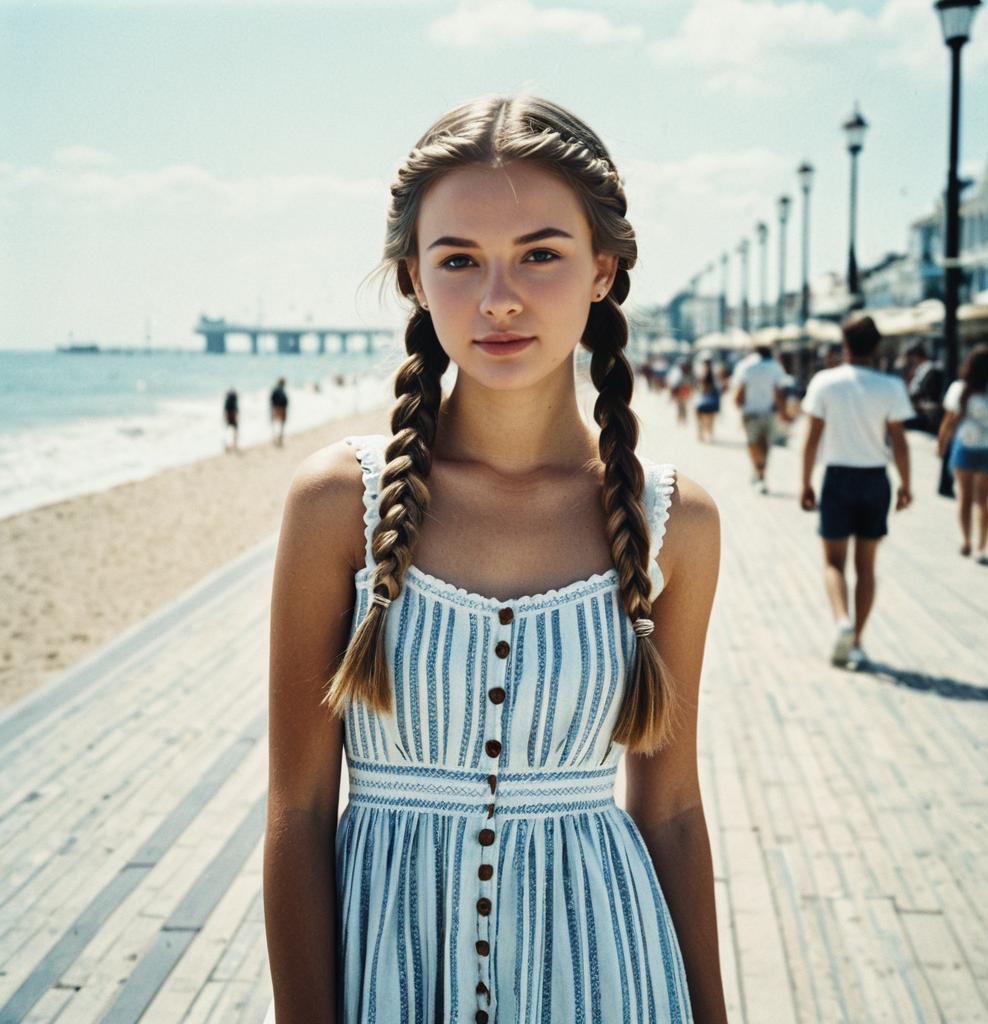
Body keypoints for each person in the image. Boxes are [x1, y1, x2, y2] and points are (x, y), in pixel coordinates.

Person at [262, 95, 727, 1024]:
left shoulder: (673, 521)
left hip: (609, 978)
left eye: (541, 255)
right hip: (389, 976)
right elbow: (299, 812)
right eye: (459, 260)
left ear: (603, 270)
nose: (498, 297)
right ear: (413, 276)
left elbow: (671, 811)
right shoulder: (337, 506)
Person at [799, 315, 914, 671]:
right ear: (877, 347)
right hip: (875, 479)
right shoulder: (890, 387)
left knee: (834, 561)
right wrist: (907, 484)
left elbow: (812, 438)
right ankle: (859, 642)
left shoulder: (825, 383)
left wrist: (805, 482)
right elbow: (899, 442)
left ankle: (841, 621)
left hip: (837, 477)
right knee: (866, 566)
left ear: (844, 345)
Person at [936, 344, 988, 564]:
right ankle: (982, 546)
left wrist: (941, 444)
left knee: (965, 498)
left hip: (964, 446)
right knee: (983, 501)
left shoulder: (961, 387)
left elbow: (949, 420)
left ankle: (966, 541)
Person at [731, 344, 788, 493]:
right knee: (766, 445)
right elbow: (779, 392)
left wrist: (738, 405)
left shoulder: (745, 365)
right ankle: (761, 474)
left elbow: (739, 392)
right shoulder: (775, 366)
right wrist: (784, 413)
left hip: (750, 412)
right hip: (769, 412)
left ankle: (758, 471)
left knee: (752, 444)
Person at [904, 343, 943, 434]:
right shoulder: (921, 368)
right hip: (919, 409)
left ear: (915, 356)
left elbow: (921, 392)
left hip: (925, 413)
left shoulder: (929, 368)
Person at [694, 357, 720, 442]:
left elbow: (703, 388)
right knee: (710, 418)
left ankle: (702, 434)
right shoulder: (714, 374)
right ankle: (708, 434)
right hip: (712, 398)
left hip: (705, 398)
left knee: (701, 417)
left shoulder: (705, 374)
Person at [665, 358, 692, 423]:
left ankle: (683, 419)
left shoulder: (687, 373)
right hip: (680, 392)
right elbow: (674, 383)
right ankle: (680, 419)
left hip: (684, 392)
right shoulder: (678, 373)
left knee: (683, 406)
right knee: (680, 406)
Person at [269, 377, 288, 446]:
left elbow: (271, 399)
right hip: (282, 408)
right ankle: (280, 439)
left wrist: (273, 409)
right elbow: (285, 400)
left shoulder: (275, 389)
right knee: (281, 425)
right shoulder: (282, 390)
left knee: (274, 424)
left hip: (275, 408)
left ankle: (274, 438)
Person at [223, 388, 239, 452]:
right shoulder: (234, 400)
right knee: (234, 432)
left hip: (229, 418)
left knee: (228, 432)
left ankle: (230, 446)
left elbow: (225, 411)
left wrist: (225, 418)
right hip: (232, 418)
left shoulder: (227, 400)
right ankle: (234, 445)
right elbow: (236, 410)